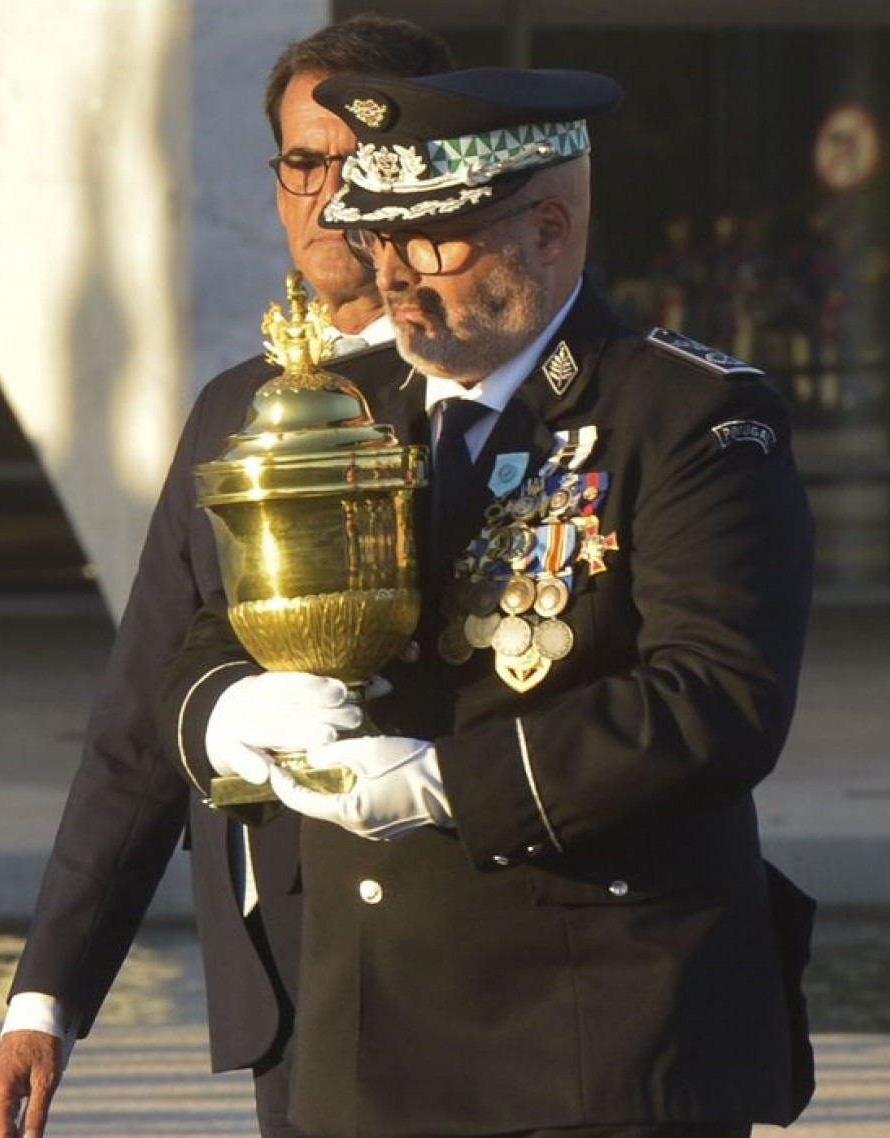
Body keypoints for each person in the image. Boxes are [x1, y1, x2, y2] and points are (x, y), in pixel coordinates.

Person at [159, 68, 818, 1137]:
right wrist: (230, 710)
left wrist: (444, 783)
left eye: (430, 245)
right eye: (378, 243)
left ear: (548, 231)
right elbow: (206, 624)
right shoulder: (346, 408)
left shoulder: (687, 417)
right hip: (371, 1038)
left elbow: (717, 698)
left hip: (594, 1042)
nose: (393, 281)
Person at [0, 16, 449, 1138]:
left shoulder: (483, 396)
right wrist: (46, 1001)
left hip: (461, 959)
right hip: (287, 968)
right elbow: (140, 720)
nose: (327, 194)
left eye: (357, 161)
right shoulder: (233, 411)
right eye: (301, 161)